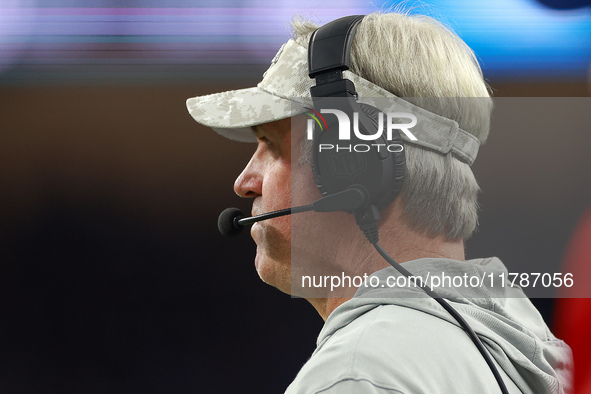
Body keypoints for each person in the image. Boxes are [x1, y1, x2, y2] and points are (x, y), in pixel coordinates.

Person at [187, 12, 573, 394]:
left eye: (270, 145)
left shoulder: (357, 373)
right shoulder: (535, 360)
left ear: (351, 164)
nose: (244, 183)